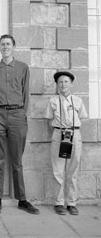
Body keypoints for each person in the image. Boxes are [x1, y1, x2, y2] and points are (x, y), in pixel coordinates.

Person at [0, 34, 39, 215]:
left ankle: (22, 200)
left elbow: (26, 93)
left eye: (8, 44)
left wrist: (22, 113)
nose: (5, 47)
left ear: (14, 47)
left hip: (18, 114)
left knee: (17, 161)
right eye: (2, 44)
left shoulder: (23, 68)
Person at [45, 71, 87, 215]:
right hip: (59, 134)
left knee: (72, 170)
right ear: (57, 85)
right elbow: (49, 120)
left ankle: (71, 202)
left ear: (71, 84)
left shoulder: (78, 101)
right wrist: (57, 134)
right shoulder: (53, 101)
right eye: (60, 82)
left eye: (66, 82)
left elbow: (82, 117)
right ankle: (58, 202)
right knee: (58, 170)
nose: (63, 84)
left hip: (75, 134)